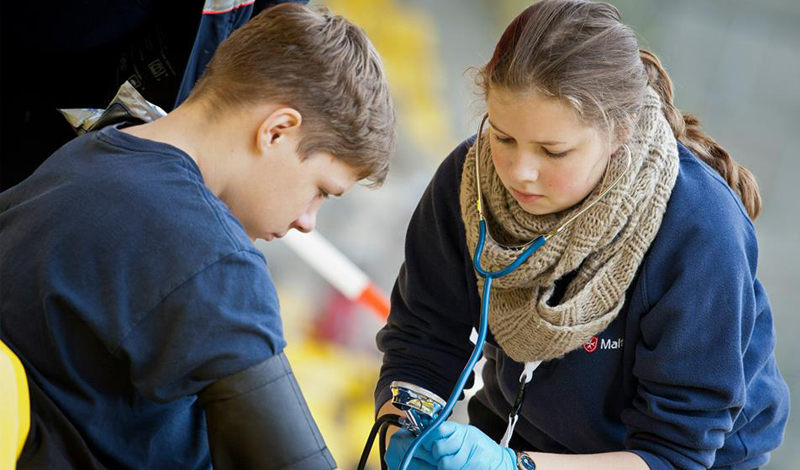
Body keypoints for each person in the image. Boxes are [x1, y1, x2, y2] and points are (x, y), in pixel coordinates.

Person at [374, 1, 789, 469]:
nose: (519, 172)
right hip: (515, 436)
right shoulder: (471, 184)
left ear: (620, 131)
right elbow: (423, 340)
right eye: (503, 137)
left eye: (553, 152)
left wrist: (517, 468)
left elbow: (675, 453)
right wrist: (405, 429)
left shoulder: (700, 229)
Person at [0, 3, 395, 470]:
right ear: (277, 130)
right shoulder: (209, 254)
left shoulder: (85, 155)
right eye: (321, 192)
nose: (308, 221)